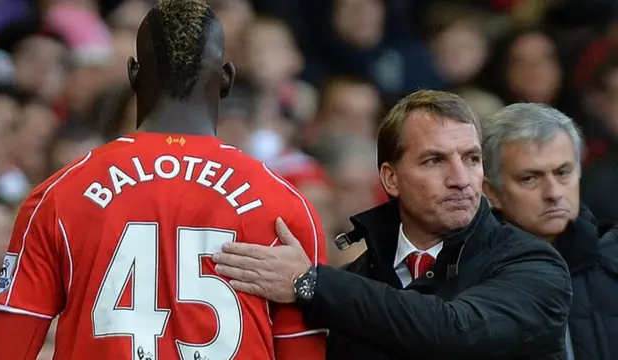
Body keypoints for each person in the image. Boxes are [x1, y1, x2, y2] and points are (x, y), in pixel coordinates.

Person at [0, 1, 327, 359]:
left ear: (134, 74)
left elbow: (5, 349)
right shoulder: (285, 207)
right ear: (226, 77)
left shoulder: (59, 195)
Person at [212, 90, 573, 359]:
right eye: (434, 161)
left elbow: (454, 332)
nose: (461, 178)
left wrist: (310, 281)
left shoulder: (534, 265)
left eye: (472, 158)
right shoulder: (353, 282)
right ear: (390, 179)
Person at [482, 103, 618, 360]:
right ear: (491, 192)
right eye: (530, 178)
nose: (554, 193)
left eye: (563, 172)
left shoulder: (613, 258)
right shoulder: (468, 275)